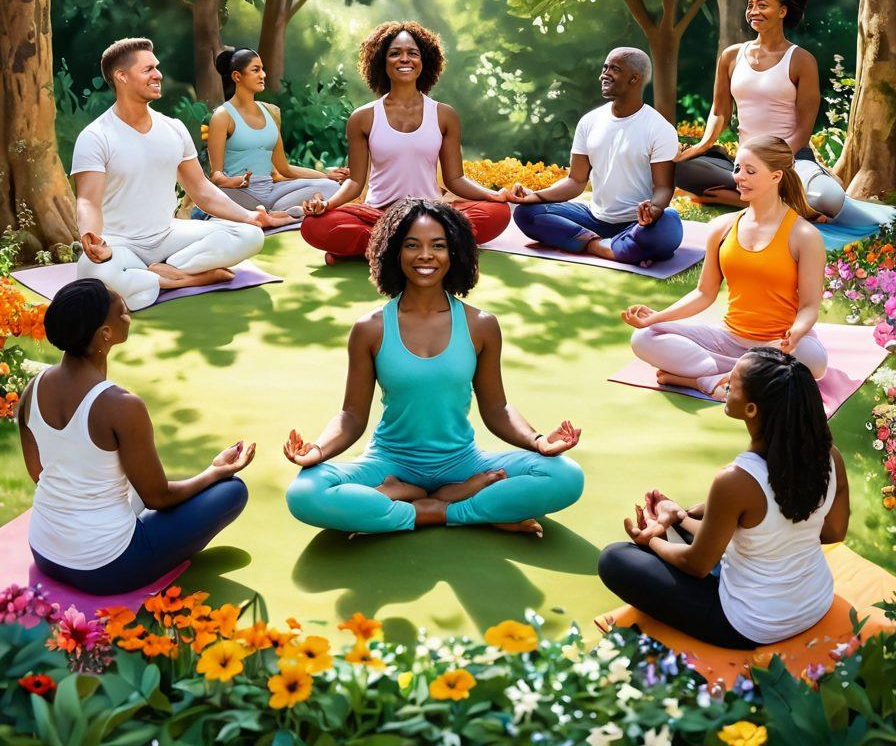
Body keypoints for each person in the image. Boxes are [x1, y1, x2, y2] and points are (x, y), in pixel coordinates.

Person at [285, 199, 584, 535]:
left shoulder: (480, 325)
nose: (425, 255)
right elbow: (352, 416)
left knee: (566, 476)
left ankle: (428, 507)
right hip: (389, 464)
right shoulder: (370, 329)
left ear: (454, 253)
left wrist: (539, 441)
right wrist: (318, 450)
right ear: (394, 253)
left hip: (462, 462)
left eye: (438, 246)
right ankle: (462, 507)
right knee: (304, 492)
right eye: (412, 245)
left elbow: (497, 408)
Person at [598, 347, 850, 649]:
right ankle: (675, 518)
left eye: (733, 383)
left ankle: (666, 529)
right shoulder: (829, 457)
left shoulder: (735, 480)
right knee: (689, 522)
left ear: (752, 409)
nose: (726, 382)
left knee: (614, 559)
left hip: (751, 625)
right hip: (815, 601)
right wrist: (681, 517)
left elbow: (697, 565)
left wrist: (649, 540)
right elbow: (833, 531)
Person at [17, 280, 253, 594]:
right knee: (232, 491)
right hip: (106, 567)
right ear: (105, 334)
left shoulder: (32, 389)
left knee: (142, 484)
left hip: (44, 550)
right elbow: (159, 498)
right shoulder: (122, 406)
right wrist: (215, 471)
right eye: (123, 313)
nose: (129, 316)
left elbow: (38, 474)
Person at [73, 38, 289, 311]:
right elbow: (88, 201)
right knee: (92, 277)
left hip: (169, 236)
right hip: (120, 244)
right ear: (121, 76)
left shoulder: (173, 128)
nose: (158, 74)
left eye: (157, 67)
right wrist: (92, 237)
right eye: (148, 69)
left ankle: (160, 274)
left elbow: (200, 189)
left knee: (251, 235)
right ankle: (186, 279)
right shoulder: (95, 136)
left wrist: (249, 216)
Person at [623, 135, 827, 399]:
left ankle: (701, 380)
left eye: (750, 171)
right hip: (728, 340)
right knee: (643, 338)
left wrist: (796, 333)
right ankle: (741, 375)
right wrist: (655, 318)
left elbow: (810, 306)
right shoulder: (722, 227)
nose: (739, 177)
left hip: (782, 346)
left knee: (812, 361)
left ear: (776, 177)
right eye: (737, 168)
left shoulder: (804, 235)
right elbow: (704, 293)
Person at [299, 22, 511, 262]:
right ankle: (428, 246)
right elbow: (356, 182)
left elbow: (455, 180)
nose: (404, 59)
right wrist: (328, 204)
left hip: (430, 213)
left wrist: (491, 196)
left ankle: (380, 247)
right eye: (395, 53)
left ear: (424, 61)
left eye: (413, 53)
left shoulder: (444, 115)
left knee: (498, 212)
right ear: (382, 61)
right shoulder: (363, 117)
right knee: (314, 226)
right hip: (379, 213)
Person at [675, 0, 850, 219]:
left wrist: (768, 163)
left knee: (830, 199)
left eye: (762, 5)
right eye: (750, 5)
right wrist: (701, 146)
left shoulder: (801, 60)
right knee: (679, 168)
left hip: (790, 159)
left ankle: (747, 199)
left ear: (782, 11)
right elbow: (719, 111)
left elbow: (803, 130)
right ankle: (768, 199)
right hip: (745, 161)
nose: (754, 11)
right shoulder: (731, 56)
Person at [507, 48, 683, 266]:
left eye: (614, 69)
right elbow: (576, 181)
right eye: (605, 67)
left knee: (669, 226)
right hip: (594, 219)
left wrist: (653, 211)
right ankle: (602, 246)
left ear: (634, 79)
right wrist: (535, 196)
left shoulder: (659, 128)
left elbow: (664, 187)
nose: (604, 74)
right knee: (525, 214)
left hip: (638, 223)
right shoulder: (590, 122)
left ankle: (617, 244)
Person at [205, 47, 346, 216]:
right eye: (256, 70)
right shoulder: (223, 116)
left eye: (262, 69)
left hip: (271, 191)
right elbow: (216, 176)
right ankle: (284, 214)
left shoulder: (270, 113)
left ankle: (277, 214)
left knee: (331, 187)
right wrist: (232, 181)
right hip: (238, 194)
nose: (263, 75)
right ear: (237, 76)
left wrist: (325, 176)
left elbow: (284, 169)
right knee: (218, 198)